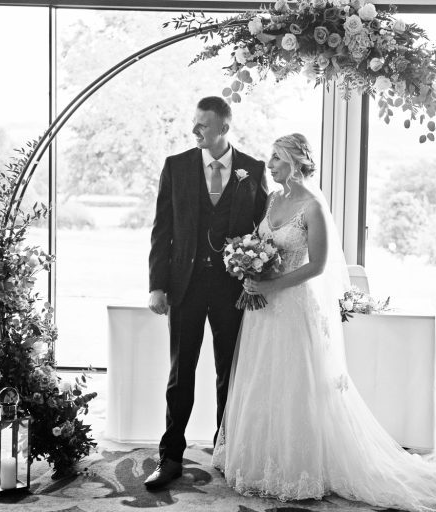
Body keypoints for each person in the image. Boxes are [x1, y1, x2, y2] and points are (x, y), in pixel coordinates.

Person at [211, 133, 436, 511]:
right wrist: (248, 266)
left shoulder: (312, 206)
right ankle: (259, 460)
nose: (271, 163)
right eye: (271, 157)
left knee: (295, 382)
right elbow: (264, 244)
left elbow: (317, 265)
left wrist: (271, 281)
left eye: (277, 158)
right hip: (262, 311)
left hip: (294, 307)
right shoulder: (274, 198)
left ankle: (298, 467)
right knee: (262, 378)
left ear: (296, 162)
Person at [145, 97, 268, 489]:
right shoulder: (176, 166)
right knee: (181, 374)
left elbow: (264, 230)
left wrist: (259, 274)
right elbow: (162, 229)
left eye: (203, 126)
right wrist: (157, 285)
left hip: (233, 291)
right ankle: (170, 458)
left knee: (228, 374)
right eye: (194, 124)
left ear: (223, 129)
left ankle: (226, 450)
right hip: (185, 287)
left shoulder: (254, 169)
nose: (195, 131)